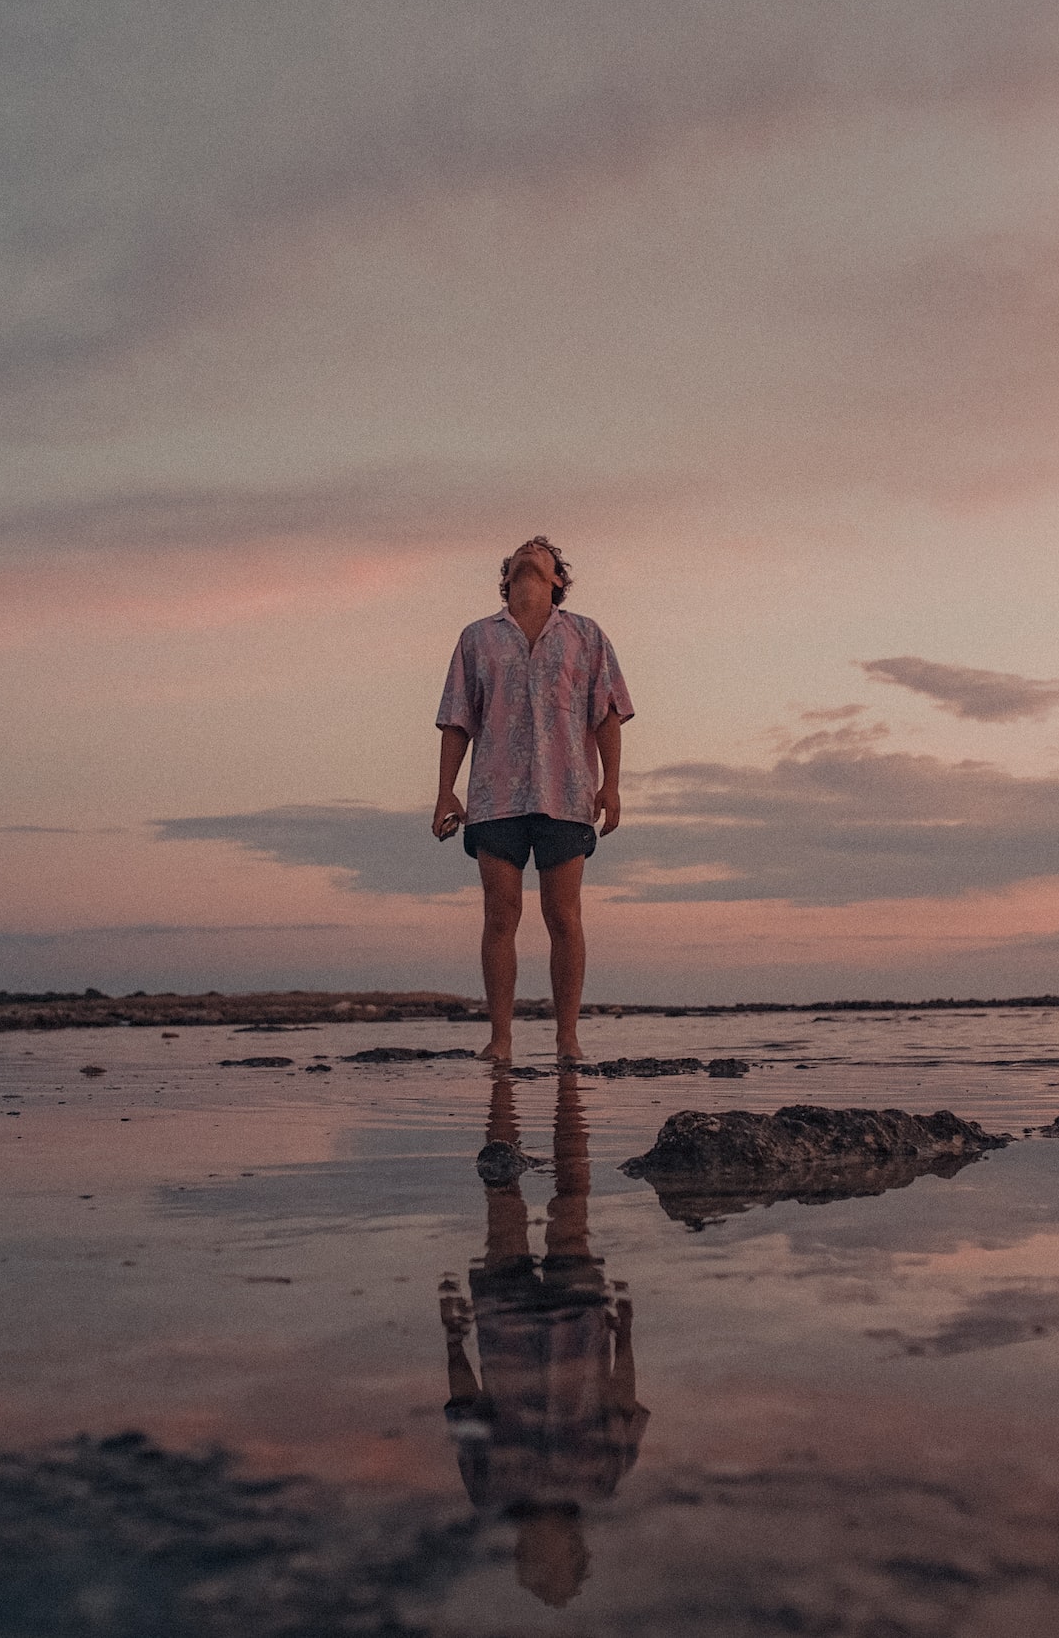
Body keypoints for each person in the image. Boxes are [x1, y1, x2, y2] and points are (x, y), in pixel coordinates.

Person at [439, 1068, 649, 1608]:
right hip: (578, 1319)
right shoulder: (601, 1481)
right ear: (578, 1549)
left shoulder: (489, 1491)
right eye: (554, 1562)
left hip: (504, 1322)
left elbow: (465, 1407)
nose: (541, 1551)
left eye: (535, 1563)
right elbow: (620, 1402)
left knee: (502, 1196)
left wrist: (452, 1338)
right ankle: (566, 1089)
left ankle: (504, 1088)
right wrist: (624, 1333)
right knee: (572, 1200)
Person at [433, 537, 633, 1064]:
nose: (529, 550)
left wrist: (611, 784)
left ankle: (568, 1039)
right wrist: (444, 790)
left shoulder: (586, 635)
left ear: (558, 580)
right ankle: (500, 1040)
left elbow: (607, 713)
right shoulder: (477, 638)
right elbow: (458, 716)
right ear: (507, 576)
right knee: (501, 915)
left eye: (541, 550)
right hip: (494, 795)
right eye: (523, 549)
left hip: (566, 794)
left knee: (563, 917)